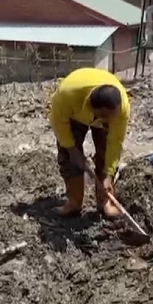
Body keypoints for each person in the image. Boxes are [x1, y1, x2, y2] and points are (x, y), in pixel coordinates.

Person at [48, 68, 129, 218]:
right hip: (74, 114)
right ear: (93, 109)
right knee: (69, 157)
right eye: (104, 117)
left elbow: (115, 143)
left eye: (111, 117)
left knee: (106, 155)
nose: (109, 121)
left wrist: (108, 175)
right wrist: (72, 150)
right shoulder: (67, 96)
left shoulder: (120, 109)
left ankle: (105, 202)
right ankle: (74, 202)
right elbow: (58, 122)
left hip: (99, 111)